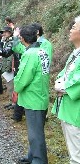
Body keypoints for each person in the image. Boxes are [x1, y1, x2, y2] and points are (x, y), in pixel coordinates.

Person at [14, 25, 50, 164]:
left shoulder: (30, 54)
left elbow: (23, 78)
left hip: (33, 98)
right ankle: (31, 156)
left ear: (22, 38)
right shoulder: (42, 50)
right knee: (36, 131)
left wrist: (16, 88)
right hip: (41, 95)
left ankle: (38, 160)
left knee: (35, 134)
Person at [51, 16, 80, 164]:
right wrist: (60, 84)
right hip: (68, 109)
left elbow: (75, 83)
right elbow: (62, 75)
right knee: (73, 151)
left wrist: (62, 86)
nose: (70, 30)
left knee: (76, 156)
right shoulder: (75, 53)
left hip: (76, 112)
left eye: (74, 27)